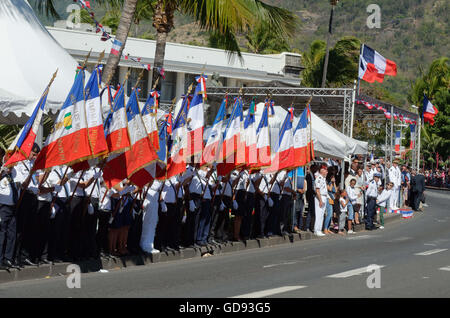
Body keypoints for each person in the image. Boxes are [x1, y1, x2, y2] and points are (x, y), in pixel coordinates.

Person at [0, 163, 20, 269]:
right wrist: (2, 172)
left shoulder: (11, 175)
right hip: (2, 207)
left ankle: (8, 258)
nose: (11, 168)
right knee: (2, 233)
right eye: (10, 166)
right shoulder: (1, 173)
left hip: (12, 207)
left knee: (12, 233)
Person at [314, 165, 328, 237]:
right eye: (325, 170)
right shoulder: (319, 178)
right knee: (319, 214)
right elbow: (317, 190)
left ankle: (319, 229)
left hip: (324, 197)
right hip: (320, 197)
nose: (327, 171)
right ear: (322, 170)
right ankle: (317, 230)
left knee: (322, 215)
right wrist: (320, 200)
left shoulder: (323, 178)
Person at [304, 165, 317, 232]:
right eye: (315, 168)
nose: (316, 169)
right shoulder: (309, 176)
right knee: (310, 211)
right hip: (310, 195)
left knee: (312, 212)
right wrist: (314, 193)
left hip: (313, 196)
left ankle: (311, 226)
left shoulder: (314, 176)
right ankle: (307, 226)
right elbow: (309, 187)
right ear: (312, 168)